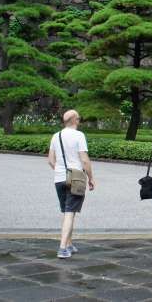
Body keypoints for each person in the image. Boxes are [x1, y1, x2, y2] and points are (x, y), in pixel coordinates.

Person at [48, 109, 95, 259]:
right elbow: (85, 160)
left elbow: (50, 160)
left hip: (59, 178)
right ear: (74, 120)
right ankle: (62, 248)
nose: (80, 121)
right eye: (79, 118)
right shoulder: (79, 136)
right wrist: (91, 178)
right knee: (70, 212)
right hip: (76, 177)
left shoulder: (56, 136)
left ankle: (69, 243)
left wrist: (61, 170)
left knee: (68, 212)